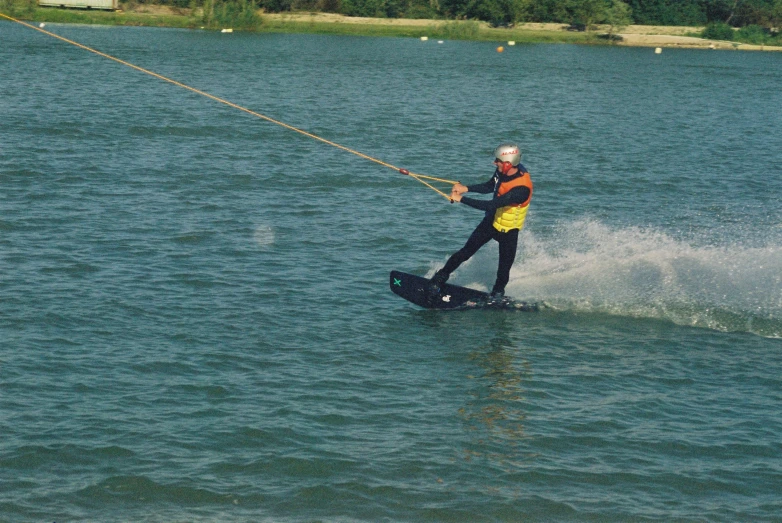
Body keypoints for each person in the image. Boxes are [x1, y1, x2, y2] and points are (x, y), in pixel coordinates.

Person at [429, 143, 533, 302]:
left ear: (508, 163)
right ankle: (439, 278)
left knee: (504, 268)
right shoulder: (502, 171)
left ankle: (498, 293)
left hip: (509, 230)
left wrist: (461, 199)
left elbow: (489, 204)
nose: (494, 163)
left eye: (498, 160)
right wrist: (466, 188)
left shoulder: (521, 189)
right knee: (465, 252)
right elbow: (490, 186)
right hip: (492, 221)